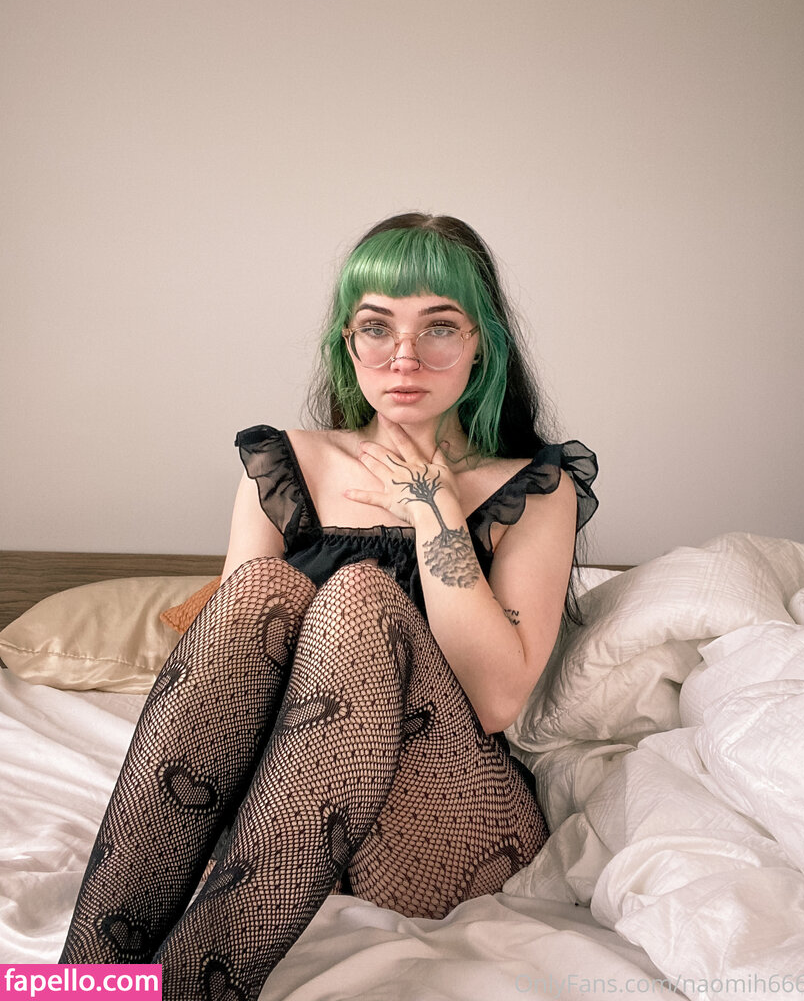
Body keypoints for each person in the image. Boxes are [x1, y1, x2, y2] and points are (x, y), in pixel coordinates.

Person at [60, 212, 598, 999]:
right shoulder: (286, 464)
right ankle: (84, 980)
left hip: (449, 818)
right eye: (376, 327)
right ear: (348, 343)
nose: (404, 356)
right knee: (259, 590)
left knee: (358, 595)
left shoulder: (533, 489)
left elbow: (493, 698)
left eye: (438, 327)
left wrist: (434, 508)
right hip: (286, 808)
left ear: (481, 343)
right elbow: (229, 686)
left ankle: (184, 990)